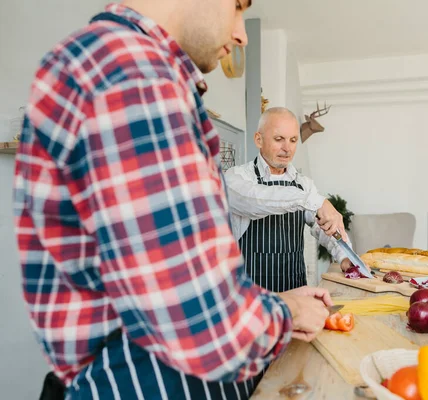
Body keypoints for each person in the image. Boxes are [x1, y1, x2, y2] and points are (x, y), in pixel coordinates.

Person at [14, 1, 332, 399]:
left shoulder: (104, 65)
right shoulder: (137, 77)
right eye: (236, 6)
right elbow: (203, 323)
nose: (241, 34)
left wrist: (270, 301)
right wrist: (289, 313)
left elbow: (163, 281)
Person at [225, 107, 357, 293]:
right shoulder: (236, 178)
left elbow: (325, 229)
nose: (287, 148)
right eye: (279, 139)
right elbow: (255, 199)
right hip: (251, 299)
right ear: (258, 139)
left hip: (295, 293)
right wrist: (317, 201)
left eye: (293, 140)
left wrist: (345, 255)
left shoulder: (304, 185)